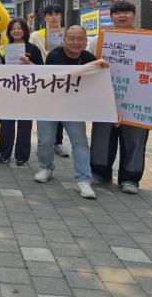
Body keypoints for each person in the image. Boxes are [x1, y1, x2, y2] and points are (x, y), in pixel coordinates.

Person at [34, 25, 109, 199]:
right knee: (45, 140)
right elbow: (67, 74)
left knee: (80, 142)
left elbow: (98, 81)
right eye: (72, 38)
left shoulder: (88, 57)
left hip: (74, 108)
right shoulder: (54, 55)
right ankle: (46, 168)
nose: (76, 42)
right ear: (64, 40)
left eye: (80, 39)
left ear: (86, 41)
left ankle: (83, 179)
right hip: (48, 105)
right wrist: (95, 65)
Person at [90, 1, 149, 194]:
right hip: (106, 98)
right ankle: (100, 173)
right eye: (117, 13)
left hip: (137, 100)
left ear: (134, 14)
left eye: (126, 12)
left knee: (135, 140)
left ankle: (130, 179)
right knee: (102, 137)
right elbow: (87, 65)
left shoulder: (149, 39)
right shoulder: (98, 40)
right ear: (111, 17)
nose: (122, 16)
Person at [0, 18, 43, 165]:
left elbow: (42, 70)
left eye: (19, 28)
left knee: (25, 125)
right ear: (9, 32)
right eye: (13, 28)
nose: (16, 31)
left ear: (24, 30)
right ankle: (4, 154)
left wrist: (29, 63)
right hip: (8, 91)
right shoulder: (4, 48)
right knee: (6, 124)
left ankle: (22, 156)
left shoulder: (33, 49)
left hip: (26, 92)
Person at [29, 4, 69, 157]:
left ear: (61, 16)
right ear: (45, 18)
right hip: (43, 80)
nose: (54, 17)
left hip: (61, 79)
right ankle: (43, 143)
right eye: (50, 14)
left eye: (57, 14)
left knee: (60, 112)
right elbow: (29, 49)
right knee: (43, 112)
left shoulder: (67, 34)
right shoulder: (36, 35)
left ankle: (58, 143)